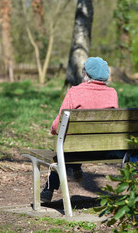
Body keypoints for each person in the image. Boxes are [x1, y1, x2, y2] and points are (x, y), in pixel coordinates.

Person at [41, 57, 119, 203]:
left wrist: (53, 130)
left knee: (66, 150)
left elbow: (57, 125)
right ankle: (75, 169)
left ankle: (49, 189)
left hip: (76, 149)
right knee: (81, 142)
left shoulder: (74, 92)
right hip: (104, 149)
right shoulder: (112, 93)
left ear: (85, 74)